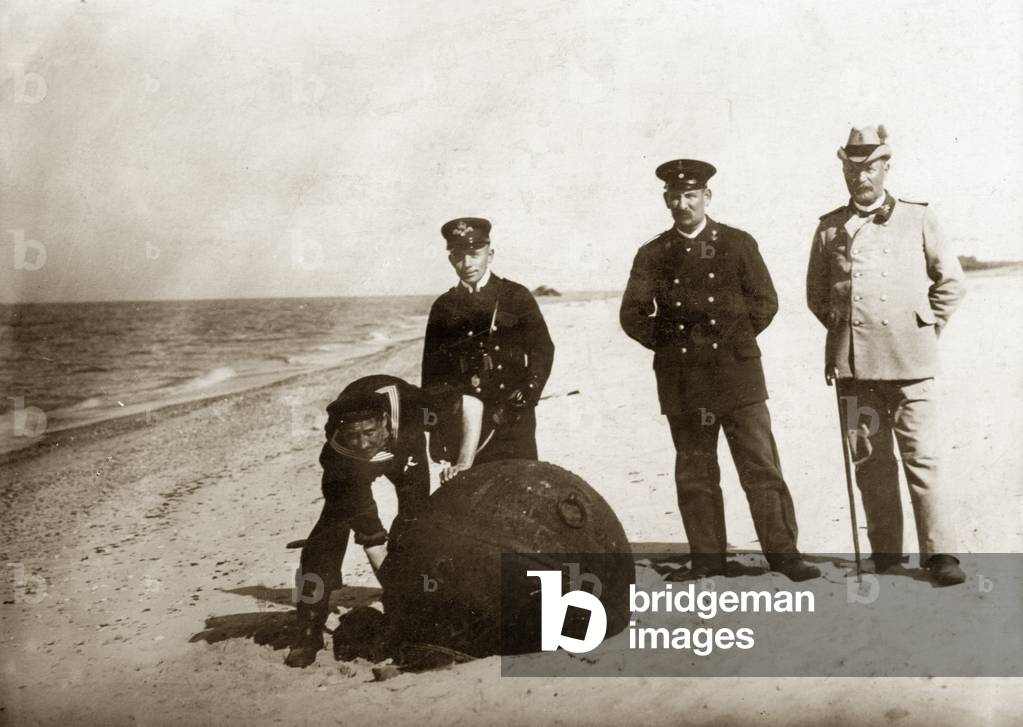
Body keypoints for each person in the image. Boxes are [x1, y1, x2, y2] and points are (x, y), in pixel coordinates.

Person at [620, 159, 819, 582]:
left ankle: (784, 555)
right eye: (675, 196)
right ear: (665, 200)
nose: (683, 203)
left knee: (760, 467)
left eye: (691, 195)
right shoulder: (653, 254)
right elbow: (632, 316)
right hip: (683, 379)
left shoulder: (737, 243)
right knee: (695, 471)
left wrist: (732, 341)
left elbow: (765, 302)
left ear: (707, 197)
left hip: (737, 375)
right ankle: (708, 559)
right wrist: (676, 346)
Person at [806, 125, 966, 586]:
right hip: (856, 369)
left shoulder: (918, 218)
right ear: (843, 172)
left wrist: (924, 327)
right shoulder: (830, 228)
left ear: (885, 167)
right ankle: (887, 553)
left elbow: (950, 283)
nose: (862, 177)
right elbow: (819, 296)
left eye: (871, 167)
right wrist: (844, 338)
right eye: (853, 168)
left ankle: (941, 556)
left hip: (911, 363)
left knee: (924, 458)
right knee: (871, 463)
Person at [285, 374, 484, 668]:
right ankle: (308, 629)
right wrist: (395, 596)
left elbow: (471, 403)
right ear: (341, 433)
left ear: (383, 421)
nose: (363, 443)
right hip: (352, 471)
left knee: (415, 525)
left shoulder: (413, 405)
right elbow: (373, 540)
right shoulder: (338, 457)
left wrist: (465, 461)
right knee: (326, 536)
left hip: (405, 451)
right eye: (353, 435)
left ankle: (421, 592)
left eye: (369, 432)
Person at [422, 217, 555, 464]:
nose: (467, 263)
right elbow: (431, 374)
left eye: (474, 254)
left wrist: (529, 393)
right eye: (459, 256)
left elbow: (542, 349)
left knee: (520, 484)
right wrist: (432, 426)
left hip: (512, 413)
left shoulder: (515, 296)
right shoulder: (443, 306)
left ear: (490, 254)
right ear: (451, 259)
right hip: (462, 420)